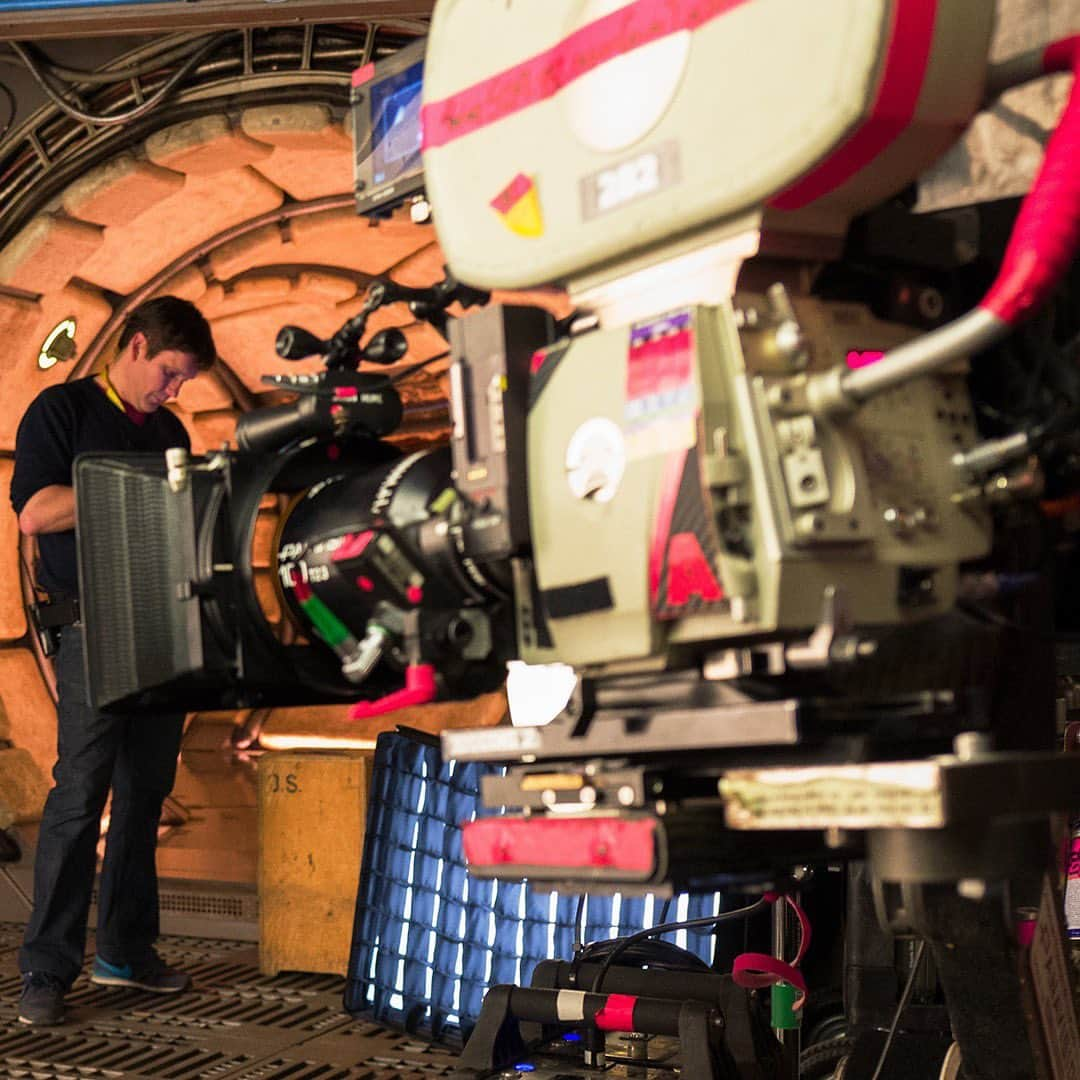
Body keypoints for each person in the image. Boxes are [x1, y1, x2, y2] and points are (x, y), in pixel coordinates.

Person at [10, 296, 216, 1026]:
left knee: (145, 792)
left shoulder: (169, 431)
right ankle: (46, 968)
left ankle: (124, 953)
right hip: (93, 629)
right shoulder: (60, 412)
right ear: (134, 346)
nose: (173, 391)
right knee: (81, 790)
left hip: (159, 624)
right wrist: (139, 485)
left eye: (183, 380)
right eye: (168, 373)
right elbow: (35, 511)